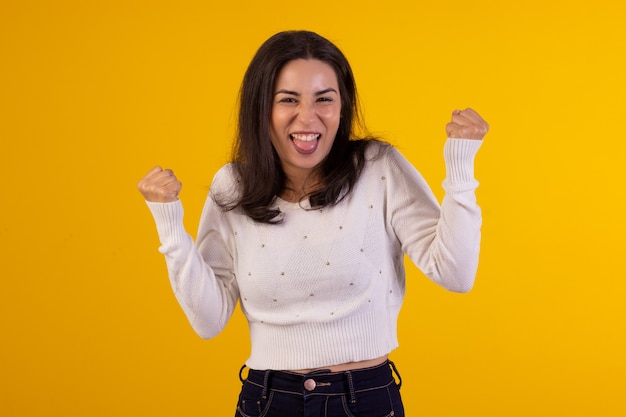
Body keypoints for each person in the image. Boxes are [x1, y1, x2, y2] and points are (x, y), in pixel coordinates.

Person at [138, 30, 488, 417]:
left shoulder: (379, 168)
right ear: (261, 109)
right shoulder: (233, 185)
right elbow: (208, 320)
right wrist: (170, 225)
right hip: (267, 401)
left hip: (364, 400)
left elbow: (455, 273)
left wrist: (460, 167)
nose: (308, 117)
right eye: (288, 99)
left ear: (342, 107)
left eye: (324, 99)